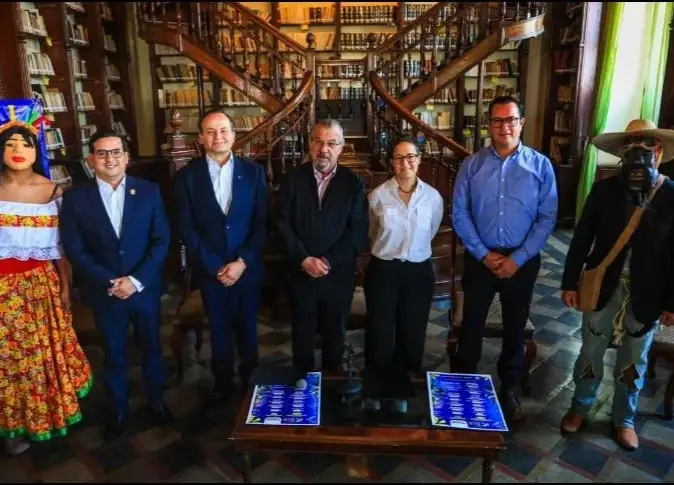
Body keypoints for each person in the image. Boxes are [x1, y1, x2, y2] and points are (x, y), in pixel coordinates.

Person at [560, 119, 674, 451]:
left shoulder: (671, 194)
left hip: (648, 292)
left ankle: (624, 418)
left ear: (658, 151)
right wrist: (570, 283)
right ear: (622, 152)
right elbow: (582, 238)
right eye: (631, 146)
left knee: (634, 360)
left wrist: (671, 302)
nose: (639, 153)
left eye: (647, 146)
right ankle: (580, 406)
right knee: (590, 352)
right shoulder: (604, 189)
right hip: (601, 287)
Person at [451, 95, 558, 422]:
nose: (504, 127)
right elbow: (459, 213)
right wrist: (484, 254)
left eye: (510, 119)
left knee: (515, 325)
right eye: (497, 120)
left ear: (521, 123)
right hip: (480, 259)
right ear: (489, 125)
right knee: (471, 324)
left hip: (521, 262)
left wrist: (518, 258)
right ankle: (465, 382)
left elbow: (547, 218)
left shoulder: (541, 166)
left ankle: (509, 386)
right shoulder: (472, 165)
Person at [60, 129, 171, 440]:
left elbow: (161, 240)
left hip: (144, 290)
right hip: (105, 293)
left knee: (152, 349)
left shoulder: (149, 191)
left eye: (116, 152)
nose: (110, 159)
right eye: (102, 153)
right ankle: (118, 411)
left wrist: (134, 281)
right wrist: (111, 282)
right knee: (114, 355)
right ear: (90, 159)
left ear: (127, 157)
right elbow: (75, 249)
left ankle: (157, 402)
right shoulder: (75, 197)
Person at [0, 99, 92, 455]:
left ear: (36, 150)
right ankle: (9, 426)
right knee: (6, 361)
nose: (18, 150)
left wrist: (66, 287)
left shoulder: (52, 191)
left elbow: (61, 249)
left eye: (25, 144)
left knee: (36, 359)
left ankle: (39, 418)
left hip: (38, 288)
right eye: (10, 144)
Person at [174, 109, 267, 407]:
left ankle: (251, 380)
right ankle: (222, 383)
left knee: (248, 328)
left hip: (246, 269)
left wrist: (242, 262)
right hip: (210, 270)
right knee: (218, 329)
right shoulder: (187, 177)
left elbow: (262, 223)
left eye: (224, 130)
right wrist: (215, 266)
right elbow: (185, 228)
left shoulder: (253, 173)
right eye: (211, 131)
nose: (218, 136)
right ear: (201, 138)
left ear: (234, 135)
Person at [276, 119, 368, 387]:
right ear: (309, 144)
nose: (324, 149)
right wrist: (304, 259)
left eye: (331, 143)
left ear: (341, 147)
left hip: (337, 275)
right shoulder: (292, 179)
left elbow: (358, 232)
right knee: (302, 332)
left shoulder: (353, 183)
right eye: (318, 141)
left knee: (335, 333)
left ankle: (332, 383)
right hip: (300, 272)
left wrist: (328, 261)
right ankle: (302, 384)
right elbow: (281, 224)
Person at [364, 138, 444, 412]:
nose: (405, 163)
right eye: (398, 158)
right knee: (380, 331)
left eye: (411, 156)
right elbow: (373, 232)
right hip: (384, 270)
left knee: (412, 331)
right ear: (391, 163)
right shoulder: (377, 196)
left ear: (419, 160)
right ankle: (377, 387)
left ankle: (403, 389)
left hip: (418, 272)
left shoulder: (433, 197)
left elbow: (432, 230)